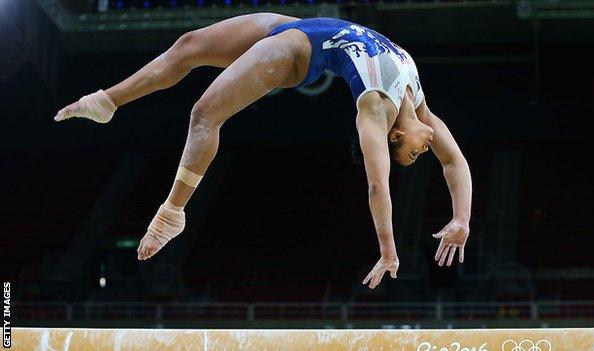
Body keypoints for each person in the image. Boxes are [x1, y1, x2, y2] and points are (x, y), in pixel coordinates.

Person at [53, 13, 472, 290]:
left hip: (298, 52)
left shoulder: (374, 111)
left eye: (417, 156)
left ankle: (172, 213)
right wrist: (460, 219)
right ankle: (108, 101)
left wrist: (388, 250)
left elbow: (378, 187)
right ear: (399, 138)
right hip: (301, 25)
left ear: (389, 138)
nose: (426, 150)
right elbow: (455, 162)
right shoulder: (420, 106)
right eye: (416, 156)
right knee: (188, 45)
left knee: (204, 114)